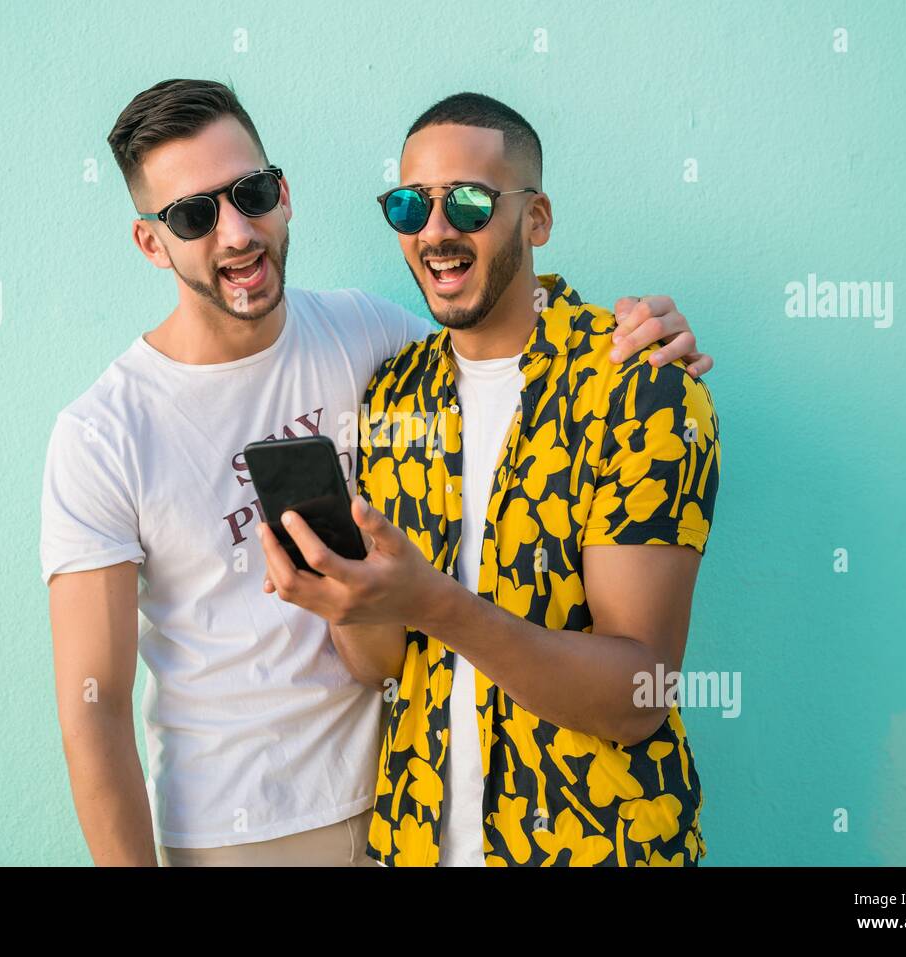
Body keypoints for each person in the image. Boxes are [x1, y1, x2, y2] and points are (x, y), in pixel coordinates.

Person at [42, 79, 712, 866]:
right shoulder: (104, 432)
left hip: (411, 818)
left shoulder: (376, 347)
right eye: (193, 215)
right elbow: (92, 712)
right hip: (246, 833)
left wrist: (647, 337)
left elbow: (503, 340)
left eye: (251, 193)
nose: (234, 234)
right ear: (152, 242)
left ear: (283, 194)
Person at [260, 92, 720, 866]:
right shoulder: (393, 396)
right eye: (409, 205)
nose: (435, 229)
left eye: (469, 202)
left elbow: (636, 693)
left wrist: (435, 603)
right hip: (415, 844)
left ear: (535, 219)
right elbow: (380, 664)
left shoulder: (639, 385)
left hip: (598, 846)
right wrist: (342, 600)